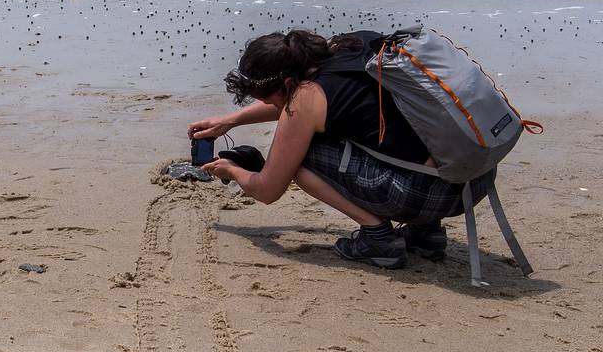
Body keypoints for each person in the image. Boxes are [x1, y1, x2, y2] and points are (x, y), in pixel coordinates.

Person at [188, 29, 494, 269]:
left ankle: (377, 237)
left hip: (431, 195)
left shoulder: (306, 97)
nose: (272, 107)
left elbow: (268, 189)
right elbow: (301, 104)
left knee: (300, 157)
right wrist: (230, 121)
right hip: (474, 174)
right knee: (383, 132)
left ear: (288, 81)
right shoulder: (355, 46)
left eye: (270, 99)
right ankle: (425, 234)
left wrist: (232, 170)